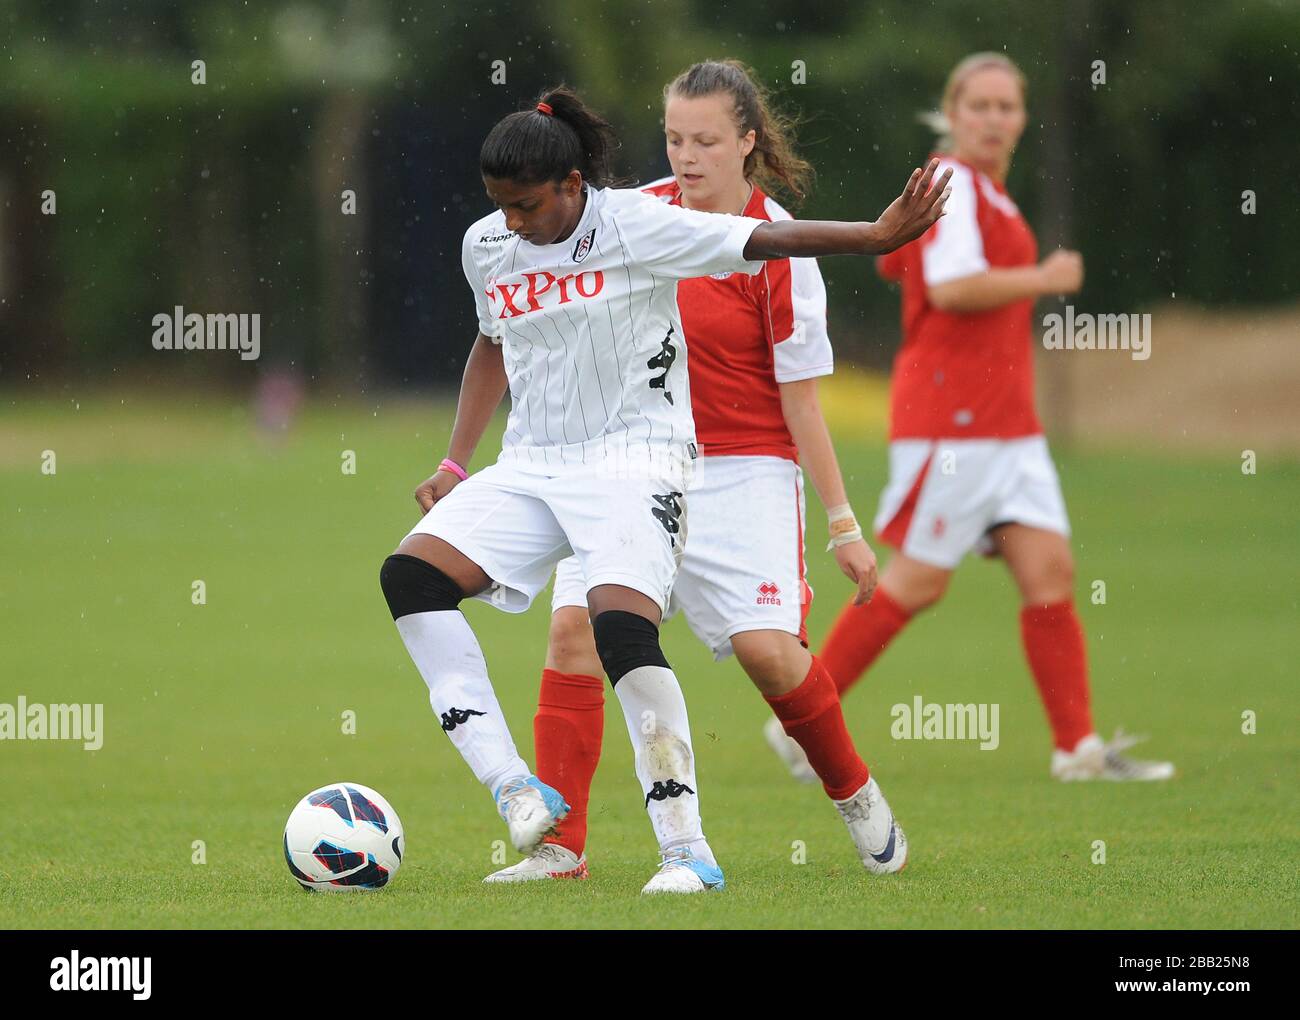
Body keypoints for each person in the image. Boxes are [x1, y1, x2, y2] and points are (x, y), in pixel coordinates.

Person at [379, 84, 951, 896]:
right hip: (554, 466)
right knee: (549, 624)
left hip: (711, 464)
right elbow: (494, 338)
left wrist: (843, 521)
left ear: (747, 142)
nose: (685, 156)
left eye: (705, 140)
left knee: (763, 655)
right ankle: (548, 831)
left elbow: (794, 363)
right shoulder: (525, 232)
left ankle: (829, 801)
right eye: (674, 138)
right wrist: (456, 461)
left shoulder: (659, 230)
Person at [776, 53, 1173, 784]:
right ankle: (800, 723)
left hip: (1008, 426)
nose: (994, 119)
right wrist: (1046, 279)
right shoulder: (950, 184)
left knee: (1049, 569)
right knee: (917, 582)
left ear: (1022, 117)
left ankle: (1077, 749)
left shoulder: (990, 192)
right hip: (953, 423)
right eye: (979, 105)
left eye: (1007, 106)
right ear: (953, 113)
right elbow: (953, 287)